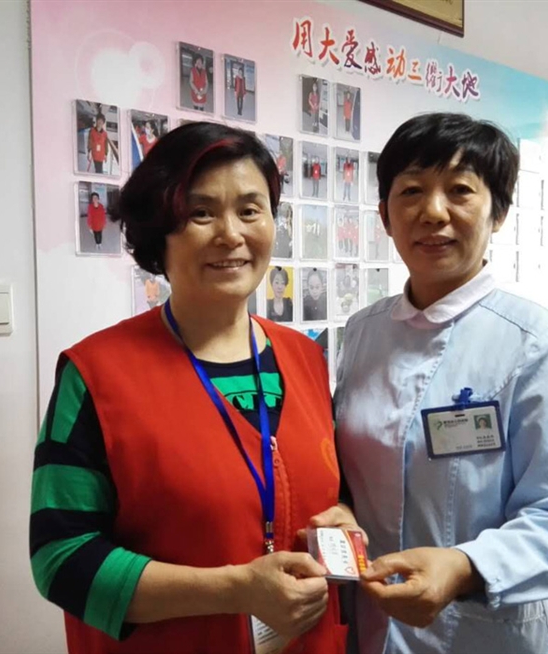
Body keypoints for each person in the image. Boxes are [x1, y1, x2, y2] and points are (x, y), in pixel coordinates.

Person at [31, 123, 351, 653]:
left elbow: (323, 487)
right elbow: (60, 558)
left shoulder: (305, 358)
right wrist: (235, 590)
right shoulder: (96, 374)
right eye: (201, 213)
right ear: (159, 231)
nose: (231, 234)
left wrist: (342, 517)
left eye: (250, 210)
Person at [322, 113, 548, 653]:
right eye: (411, 191)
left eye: (459, 190)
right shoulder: (363, 332)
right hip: (370, 630)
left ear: (497, 212)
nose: (433, 212)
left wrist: (464, 566)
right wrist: (340, 509)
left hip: (482, 635)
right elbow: (350, 471)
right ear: (385, 215)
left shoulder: (540, 343)